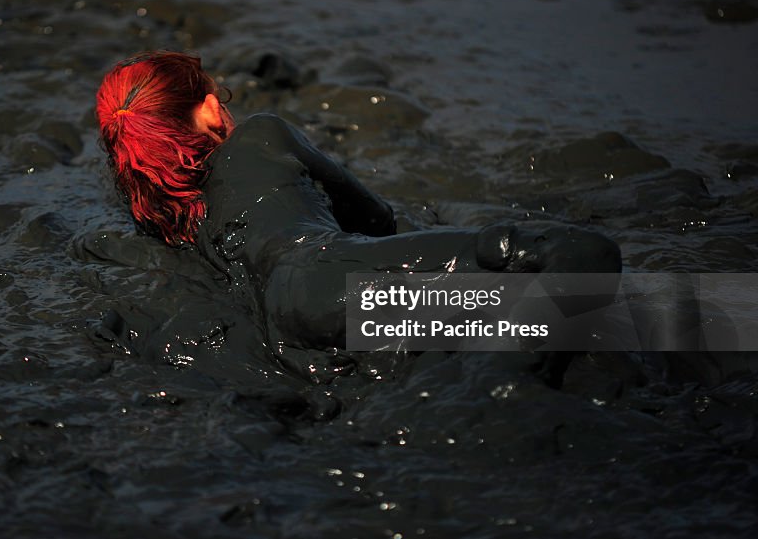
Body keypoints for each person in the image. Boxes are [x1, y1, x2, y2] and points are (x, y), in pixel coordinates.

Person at [96, 51, 622, 355]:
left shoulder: (162, 216)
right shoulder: (260, 135)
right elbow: (375, 218)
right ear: (211, 111)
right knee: (585, 254)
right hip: (330, 274)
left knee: (494, 310)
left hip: (291, 315)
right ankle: (514, 384)